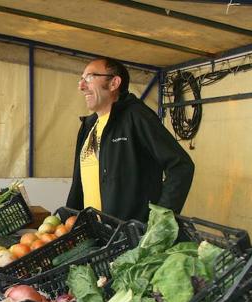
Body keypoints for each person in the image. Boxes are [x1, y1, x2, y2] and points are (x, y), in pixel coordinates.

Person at [67, 57, 194, 222]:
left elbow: (181, 166)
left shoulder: (137, 116)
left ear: (114, 83)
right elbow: (79, 184)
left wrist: (158, 221)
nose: (82, 86)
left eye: (89, 78)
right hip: (95, 233)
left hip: (129, 238)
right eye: (81, 79)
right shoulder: (88, 126)